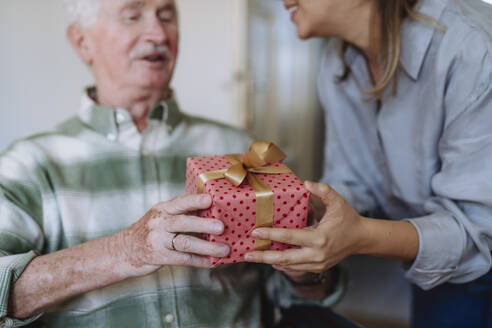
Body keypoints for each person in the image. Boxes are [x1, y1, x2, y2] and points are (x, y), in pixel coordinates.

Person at [0, 0, 344, 327]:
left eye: (166, 15)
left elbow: (306, 299)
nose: (158, 34)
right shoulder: (29, 165)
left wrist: (307, 271)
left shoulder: (241, 153)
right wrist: (124, 250)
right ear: (82, 42)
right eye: (133, 15)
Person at [245, 0, 492, 327]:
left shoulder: (472, 47)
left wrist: (359, 234)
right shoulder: (338, 62)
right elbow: (357, 183)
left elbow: (479, 232)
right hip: (443, 265)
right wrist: (305, 208)